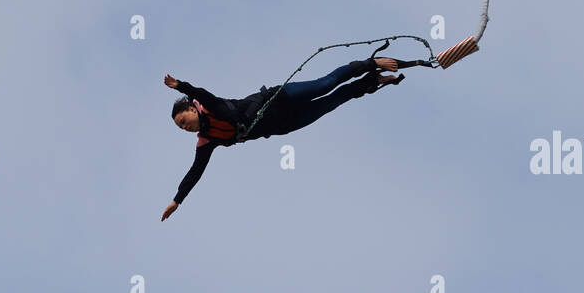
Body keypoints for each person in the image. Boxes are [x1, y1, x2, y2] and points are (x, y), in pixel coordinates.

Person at [160, 57, 406, 220]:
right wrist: (177, 200)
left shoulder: (208, 105)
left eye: (184, 122)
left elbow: (199, 92)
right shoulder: (207, 141)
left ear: (192, 110)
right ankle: (372, 80)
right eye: (182, 129)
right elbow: (195, 172)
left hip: (280, 98)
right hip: (285, 123)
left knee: (325, 85)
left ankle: (371, 63)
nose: (186, 128)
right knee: (332, 102)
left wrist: (180, 85)